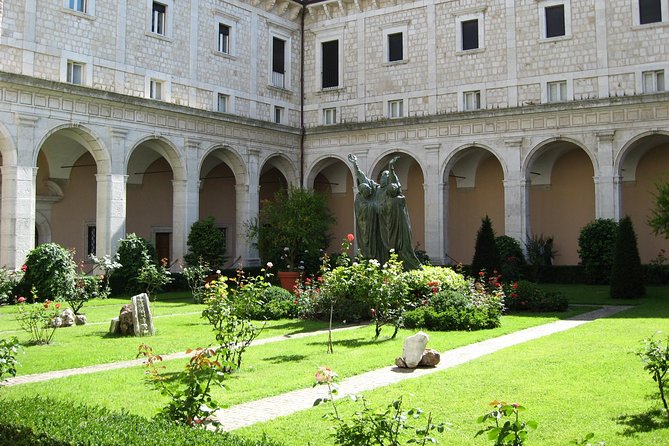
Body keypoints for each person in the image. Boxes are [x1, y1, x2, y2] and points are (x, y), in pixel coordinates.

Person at [348, 154, 421, 269]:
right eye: (381, 176)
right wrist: (355, 165)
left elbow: (395, 185)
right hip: (376, 229)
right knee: (379, 252)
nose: (382, 179)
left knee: (391, 252)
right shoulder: (375, 190)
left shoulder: (389, 193)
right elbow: (363, 178)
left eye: (385, 177)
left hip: (389, 228)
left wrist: (391, 168)